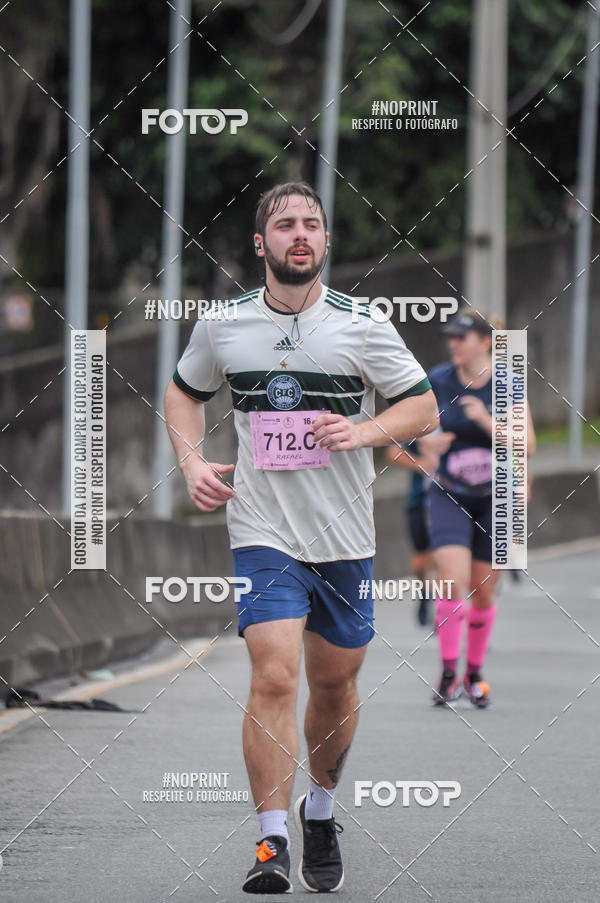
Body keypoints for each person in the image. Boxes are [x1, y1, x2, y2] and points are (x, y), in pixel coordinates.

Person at [164, 182, 438, 894]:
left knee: (335, 680)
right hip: (263, 529)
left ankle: (320, 807)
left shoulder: (364, 324)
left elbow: (423, 405)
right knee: (276, 671)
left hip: (344, 534)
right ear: (262, 243)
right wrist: (191, 459)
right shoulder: (224, 325)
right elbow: (184, 393)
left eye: (312, 224)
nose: (300, 234)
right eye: (285, 224)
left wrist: (365, 430)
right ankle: (271, 839)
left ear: (325, 242)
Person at [427, 311, 535, 708]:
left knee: (484, 591)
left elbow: (528, 445)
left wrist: (487, 421)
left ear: (485, 342)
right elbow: (411, 432)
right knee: (450, 581)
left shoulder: (506, 382)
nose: (453, 343)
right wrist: (426, 444)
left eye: (462, 337)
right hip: (450, 491)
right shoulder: (438, 379)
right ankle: (449, 671)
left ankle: (474, 672)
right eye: (450, 337)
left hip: (498, 496)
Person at [385, 432, 454, 625]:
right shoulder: (422, 422)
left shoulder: (456, 416)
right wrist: (420, 464)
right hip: (420, 501)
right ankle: (425, 591)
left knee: (445, 557)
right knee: (421, 561)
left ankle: (444, 614)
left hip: (451, 502)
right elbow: (393, 452)